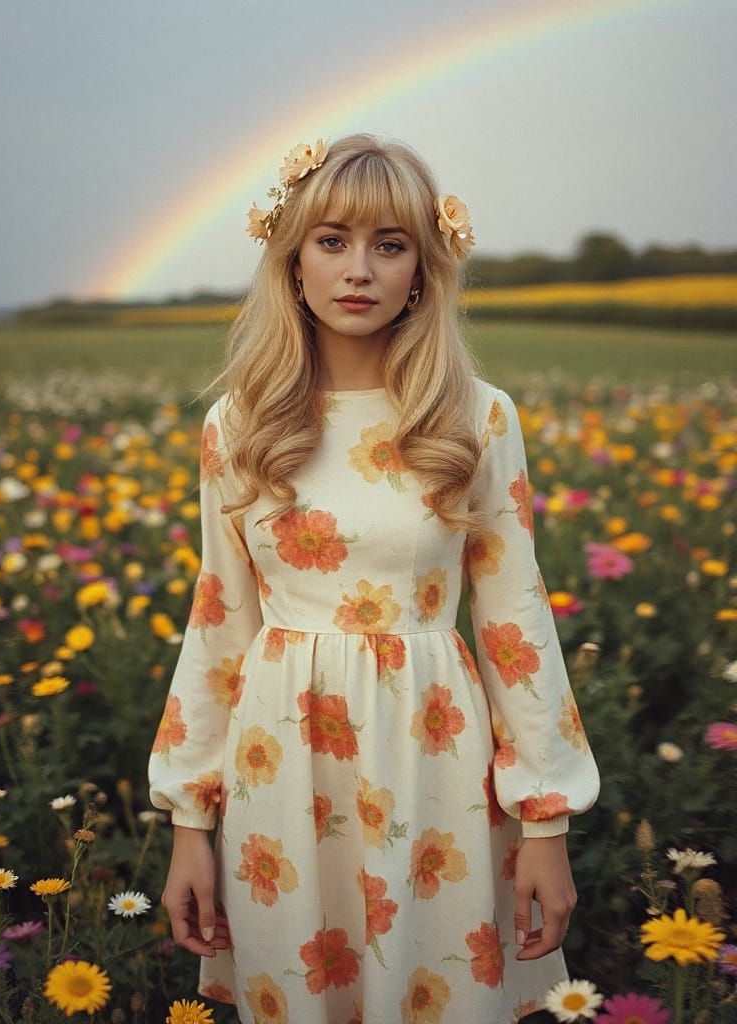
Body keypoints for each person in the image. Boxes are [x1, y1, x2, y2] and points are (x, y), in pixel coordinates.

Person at [147, 132, 600, 1024]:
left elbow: (514, 616)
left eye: (389, 245)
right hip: (279, 770)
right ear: (294, 262)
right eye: (333, 241)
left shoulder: (476, 414)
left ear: (423, 271)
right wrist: (189, 823)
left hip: (435, 764)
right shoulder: (238, 425)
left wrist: (546, 822)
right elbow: (219, 620)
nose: (359, 269)